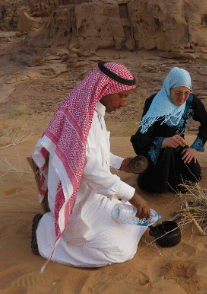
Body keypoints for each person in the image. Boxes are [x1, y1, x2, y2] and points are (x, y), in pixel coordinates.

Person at [30, 61, 151, 270]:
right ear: (105, 88)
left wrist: (119, 163)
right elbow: (89, 168)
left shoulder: (94, 113)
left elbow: (96, 154)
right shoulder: (82, 115)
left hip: (95, 198)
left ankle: (52, 225)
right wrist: (133, 195)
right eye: (122, 96)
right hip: (78, 206)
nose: (123, 104)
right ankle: (45, 235)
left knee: (138, 223)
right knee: (121, 251)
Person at [130, 67, 207, 194]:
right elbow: (143, 137)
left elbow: (206, 123)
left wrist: (195, 148)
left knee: (193, 177)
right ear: (169, 89)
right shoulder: (153, 103)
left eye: (187, 92)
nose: (183, 97)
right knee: (154, 186)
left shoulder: (191, 101)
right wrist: (164, 141)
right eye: (178, 93)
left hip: (179, 147)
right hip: (157, 149)